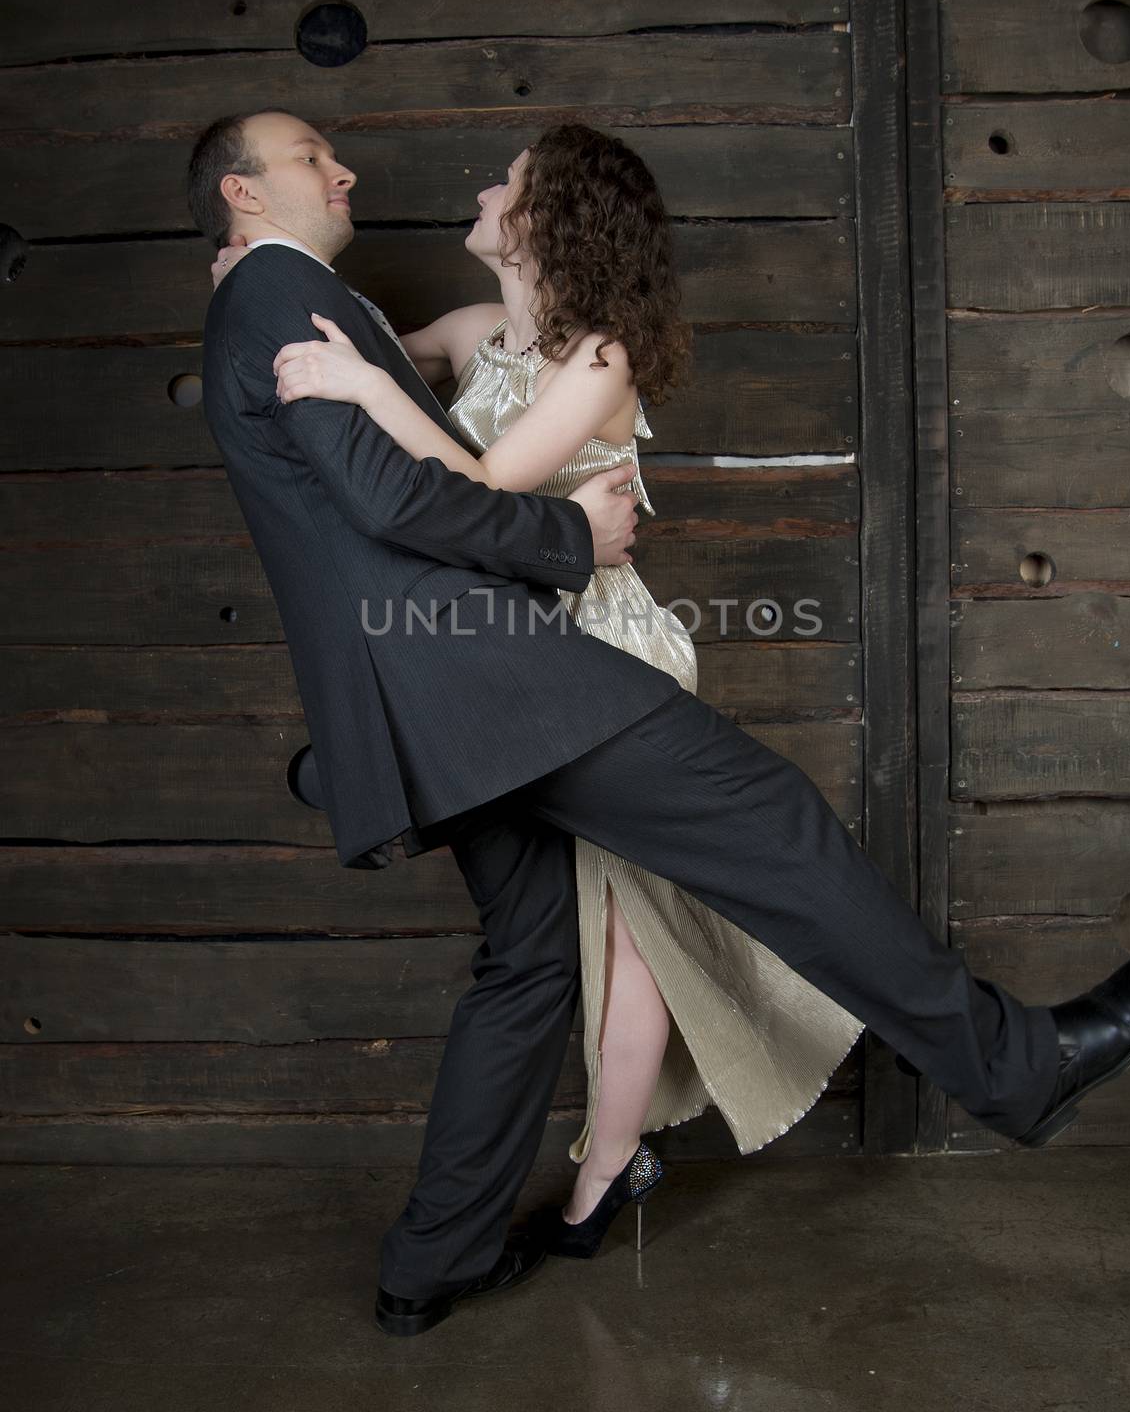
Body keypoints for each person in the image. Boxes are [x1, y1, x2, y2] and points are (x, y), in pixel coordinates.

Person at [190, 108, 1130, 1340]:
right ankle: (1022, 1066)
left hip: (441, 698)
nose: (343, 170)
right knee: (772, 827)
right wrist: (570, 538)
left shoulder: (279, 297)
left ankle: (430, 1262)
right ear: (244, 195)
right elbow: (394, 491)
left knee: (530, 959)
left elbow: (396, 420)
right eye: (308, 159)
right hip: (489, 681)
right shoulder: (279, 295)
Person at [209, 122, 868, 1257]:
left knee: (626, 926)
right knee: (582, 930)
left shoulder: (601, 355)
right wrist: (256, 279)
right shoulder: (473, 331)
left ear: (545, 218)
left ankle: (605, 1174)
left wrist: (364, 379)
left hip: (602, 648)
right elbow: (358, 343)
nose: (480, 186)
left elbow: (470, 474)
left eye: (504, 182)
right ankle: (607, 1168)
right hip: (511, 664)